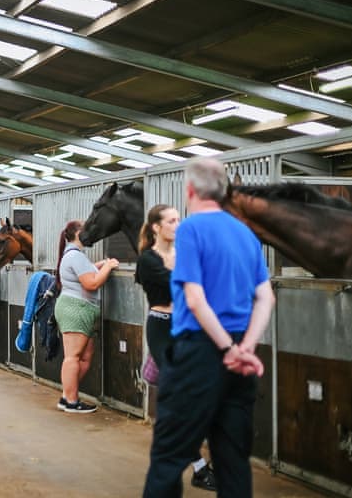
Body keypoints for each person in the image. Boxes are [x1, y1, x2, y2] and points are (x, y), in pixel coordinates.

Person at [142, 157, 275, 497]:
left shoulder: (191, 229)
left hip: (200, 352)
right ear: (225, 190)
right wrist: (245, 348)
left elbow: (196, 299)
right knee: (233, 462)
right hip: (240, 357)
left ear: (190, 189)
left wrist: (227, 349)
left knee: (168, 457)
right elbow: (266, 298)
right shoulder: (245, 234)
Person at [135, 205, 216, 491]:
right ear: (156, 227)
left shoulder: (182, 255)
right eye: (171, 221)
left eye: (179, 219)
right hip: (161, 327)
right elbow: (181, 285)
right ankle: (197, 466)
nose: (178, 225)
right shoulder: (148, 259)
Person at [54, 219, 119, 413]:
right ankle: (71, 401)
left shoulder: (75, 255)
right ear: (77, 234)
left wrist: (100, 264)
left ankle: (67, 395)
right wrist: (109, 267)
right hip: (76, 309)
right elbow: (91, 284)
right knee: (73, 357)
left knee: (85, 357)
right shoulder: (75, 256)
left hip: (81, 308)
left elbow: (86, 270)